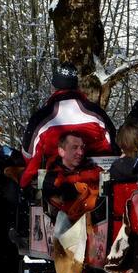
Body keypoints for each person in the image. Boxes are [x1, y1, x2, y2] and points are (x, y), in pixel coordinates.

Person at [20, 62, 117, 191]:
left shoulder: (41, 117)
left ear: (53, 88)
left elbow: (27, 155)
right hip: (95, 183)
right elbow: (114, 147)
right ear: (77, 87)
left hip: (55, 184)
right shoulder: (97, 114)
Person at [41, 131, 102, 222]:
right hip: (68, 230)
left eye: (82, 147)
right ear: (61, 151)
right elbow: (58, 209)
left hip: (98, 225)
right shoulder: (53, 178)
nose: (80, 152)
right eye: (74, 148)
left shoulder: (96, 171)